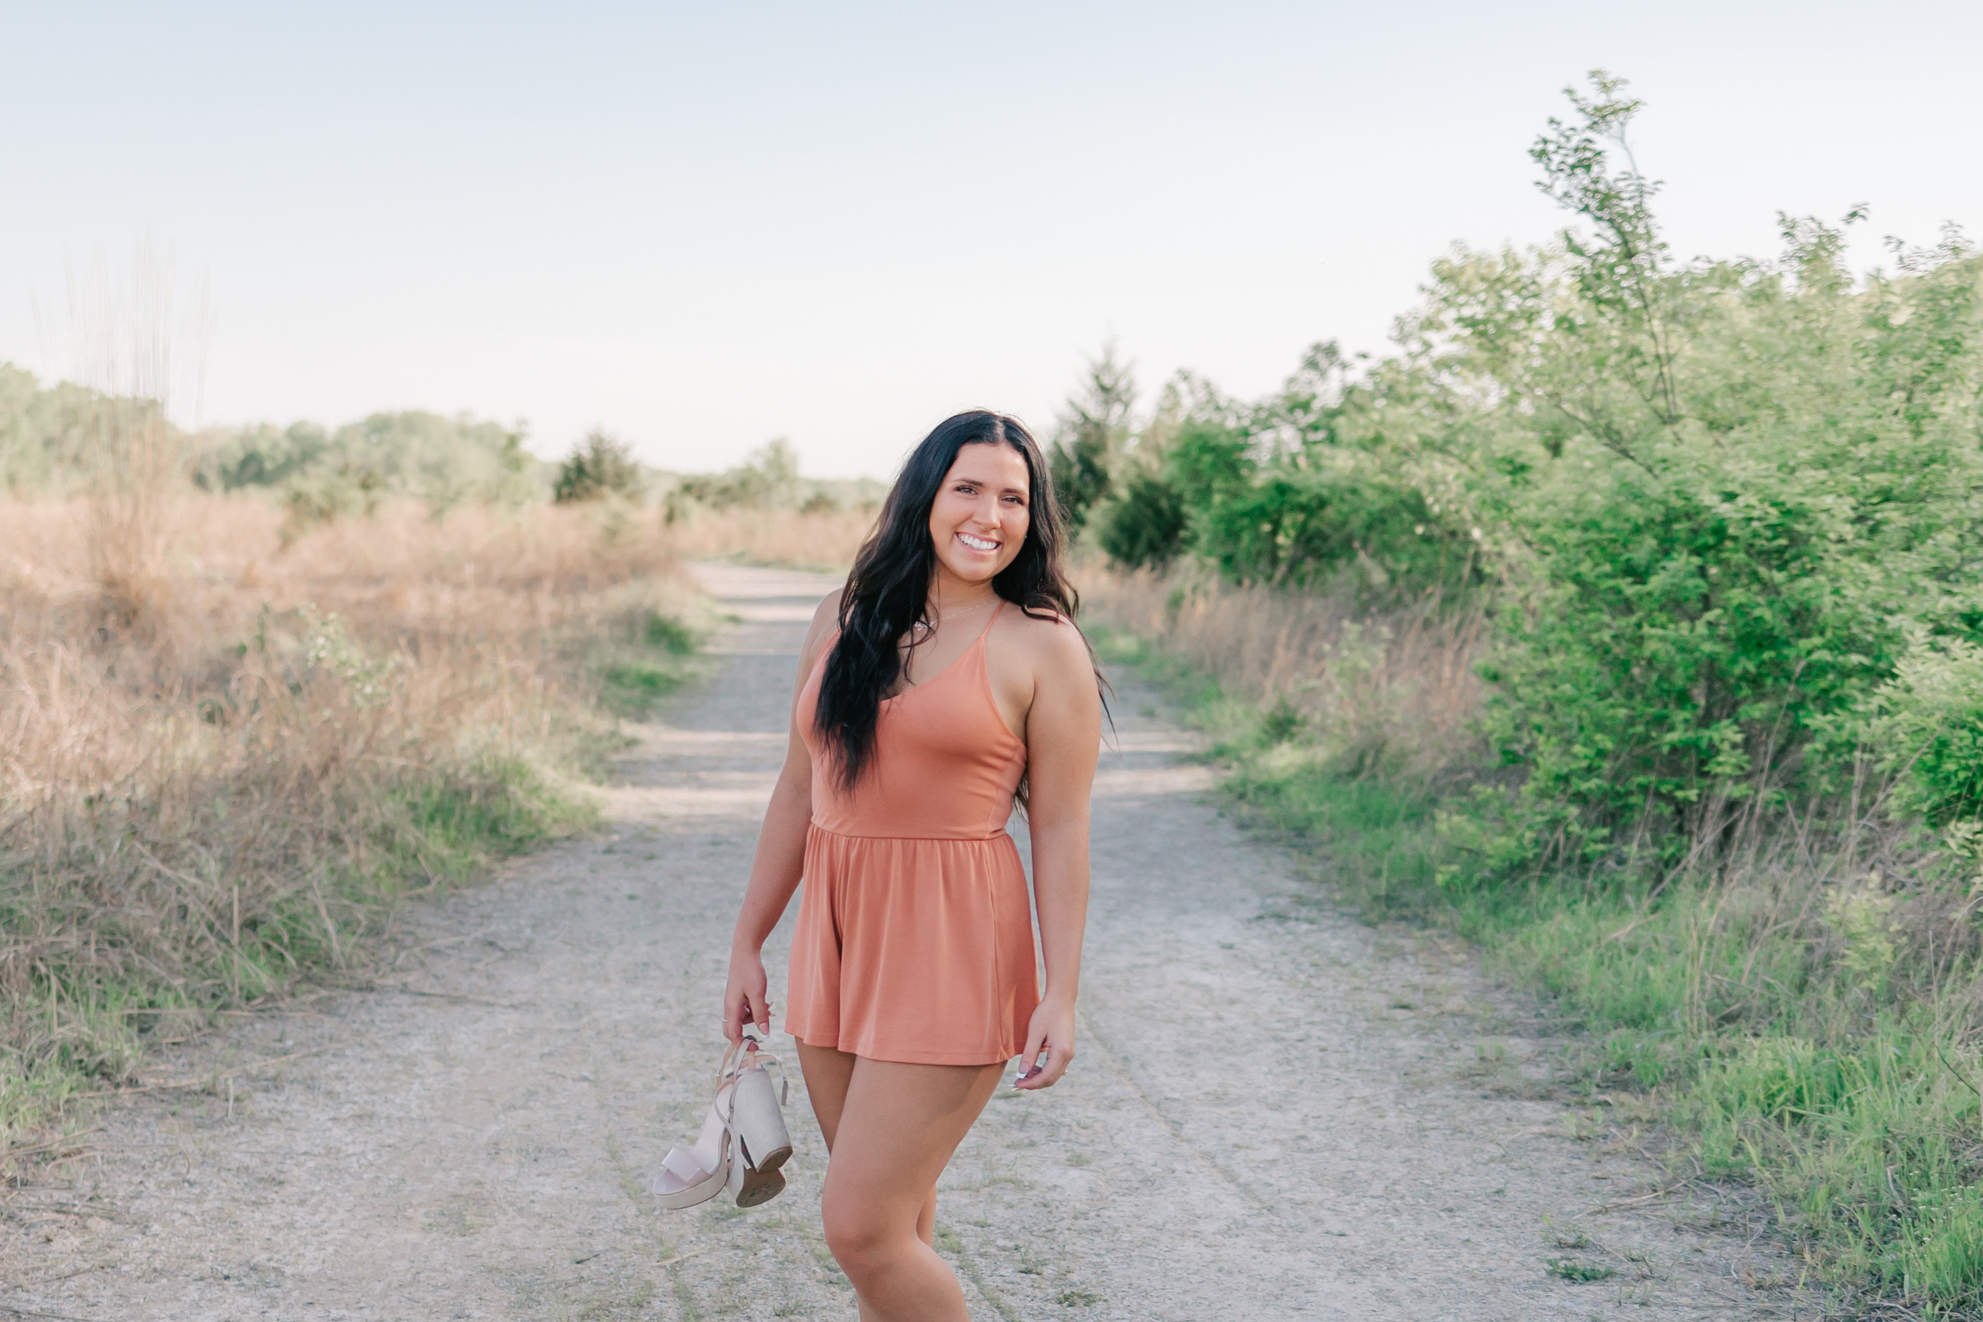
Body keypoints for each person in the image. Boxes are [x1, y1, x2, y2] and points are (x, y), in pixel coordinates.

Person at [722, 410, 1102, 1321]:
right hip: (839, 941)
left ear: (1032, 519)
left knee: (859, 1228)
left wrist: (1062, 991)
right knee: (898, 1230)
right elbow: (796, 789)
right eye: (967, 488)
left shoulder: (1041, 642)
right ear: (925, 496)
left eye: (1014, 498)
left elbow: (1060, 829)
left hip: (955, 945)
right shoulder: (843, 615)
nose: (989, 514)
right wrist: (748, 941)